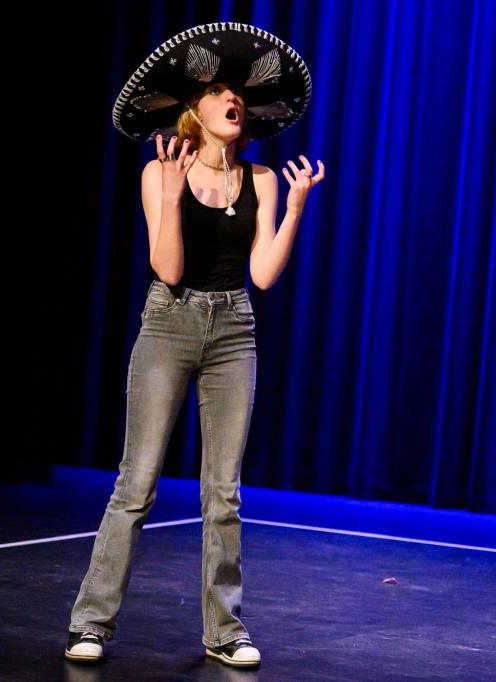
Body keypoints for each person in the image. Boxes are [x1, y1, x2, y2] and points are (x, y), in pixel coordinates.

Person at [64, 23, 323, 669]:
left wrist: (294, 209)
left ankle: (224, 630)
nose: (233, 99)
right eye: (219, 92)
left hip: (234, 329)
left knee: (223, 493)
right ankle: (90, 621)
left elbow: (263, 275)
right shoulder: (159, 173)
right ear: (194, 109)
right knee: (137, 483)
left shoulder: (262, 179)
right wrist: (174, 200)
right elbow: (169, 269)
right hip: (169, 323)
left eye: (240, 94)